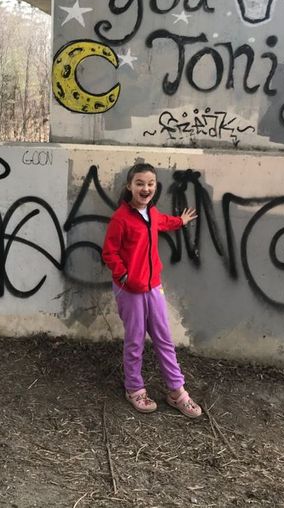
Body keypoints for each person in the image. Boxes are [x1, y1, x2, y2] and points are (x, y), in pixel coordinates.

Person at [102, 162, 202, 418]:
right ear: (129, 186)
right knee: (135, 341)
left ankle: (176, 391)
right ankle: (134, 388)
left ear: (155, 187)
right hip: (130, 289)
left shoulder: (153, 213)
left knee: (164, 339)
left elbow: (164, 223)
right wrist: (124, 275)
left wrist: (181, 220)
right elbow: (109, 252)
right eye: (140, 183)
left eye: (150, 184)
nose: (145, 188)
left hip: (153, 286)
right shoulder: (121, 219)